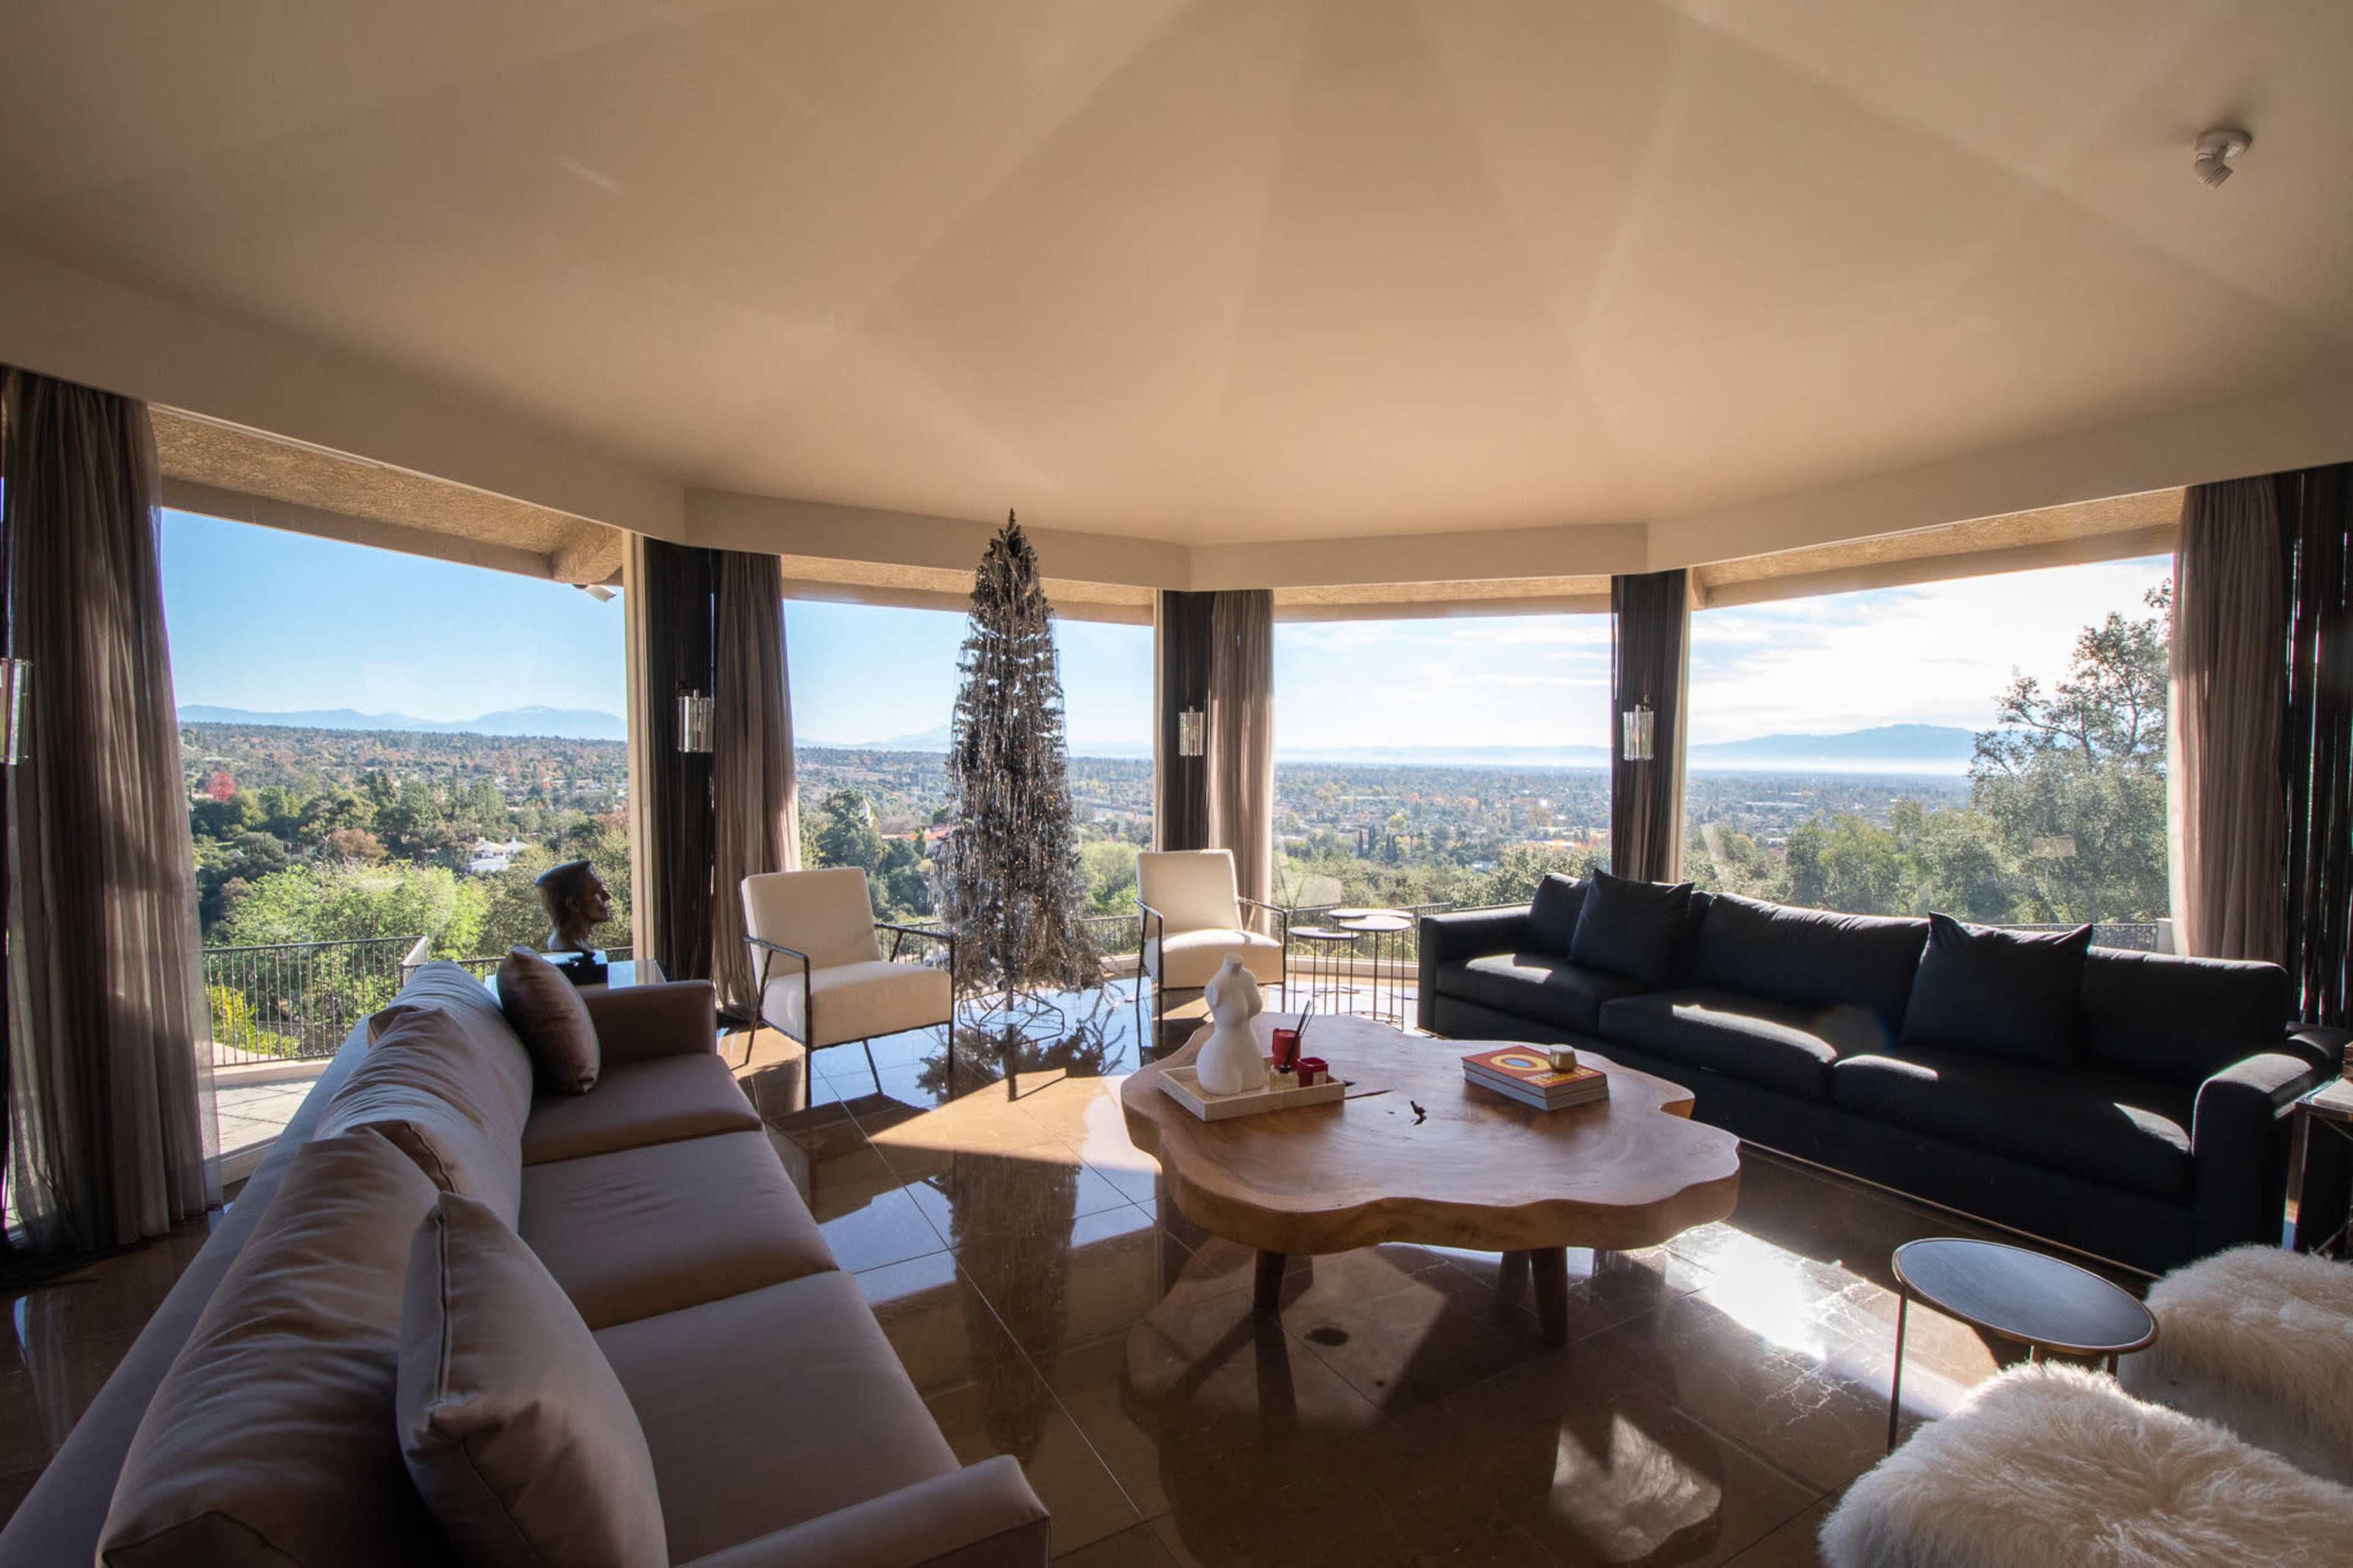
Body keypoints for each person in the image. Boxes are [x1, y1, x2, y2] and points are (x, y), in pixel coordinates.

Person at [535, 859, 611, 954]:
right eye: (598, 892)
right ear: (574, 904)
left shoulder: (577, 944)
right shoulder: (568, 948)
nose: (608, 897)